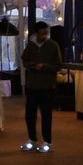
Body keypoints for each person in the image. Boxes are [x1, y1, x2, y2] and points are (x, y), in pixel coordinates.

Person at [20, 20, 62, 152]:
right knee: (30, 115)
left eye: (46, 32)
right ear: (37, 33)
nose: (45, 35)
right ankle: (32, 139)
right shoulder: (31, 45)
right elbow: (24, 60)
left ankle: (47, 141)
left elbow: (58, 65)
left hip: (47, 86)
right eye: (43, 32)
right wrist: (33, 65)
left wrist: (45, 66)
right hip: (32, 85)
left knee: (46, 115)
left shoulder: (53, 45)